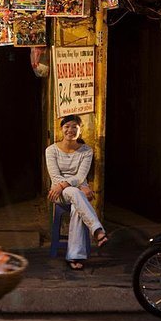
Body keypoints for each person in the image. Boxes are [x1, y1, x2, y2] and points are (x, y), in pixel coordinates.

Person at [45, 114, 108, 271]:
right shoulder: (51, 150)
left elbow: (81, 176)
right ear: (61, 129)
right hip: (58, 193)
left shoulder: (86, 151)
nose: (70, 130)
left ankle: (74, 256)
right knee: (76, 193)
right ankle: (97, 230)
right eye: (67, 127)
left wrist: (74, 185)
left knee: (76, 208)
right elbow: (56, 177)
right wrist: (77, 185)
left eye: (75, 127)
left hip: (75, 192)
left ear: (80, 129)